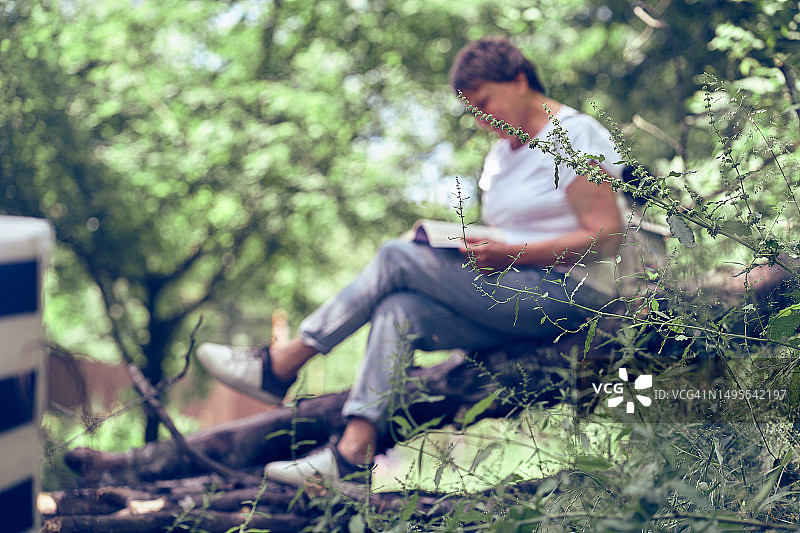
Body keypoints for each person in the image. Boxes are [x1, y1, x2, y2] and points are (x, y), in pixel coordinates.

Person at [196, 36, 625, 490]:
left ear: (519, 80)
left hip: (574, 295)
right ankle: (351, 459)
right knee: (399, 310)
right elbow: (516, 231)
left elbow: (605, 236)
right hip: (513, 293)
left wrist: (511, 253)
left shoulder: (574, 133)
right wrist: (472, 245)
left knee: (395, 257)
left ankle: (282, 362)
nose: (481, 120)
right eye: (472, 111)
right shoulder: (501, 156)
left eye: (484, 103)